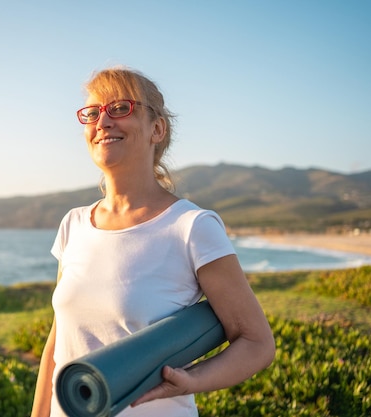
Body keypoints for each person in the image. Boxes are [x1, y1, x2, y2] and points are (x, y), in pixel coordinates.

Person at [31, 67, 275, 417]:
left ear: (156, 129)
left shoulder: (192, 227)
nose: (102, 121)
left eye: (120, 109)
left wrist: (191, 380)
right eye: (92, 112)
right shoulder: (73, 224)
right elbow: (58, 346)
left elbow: (257, 343)